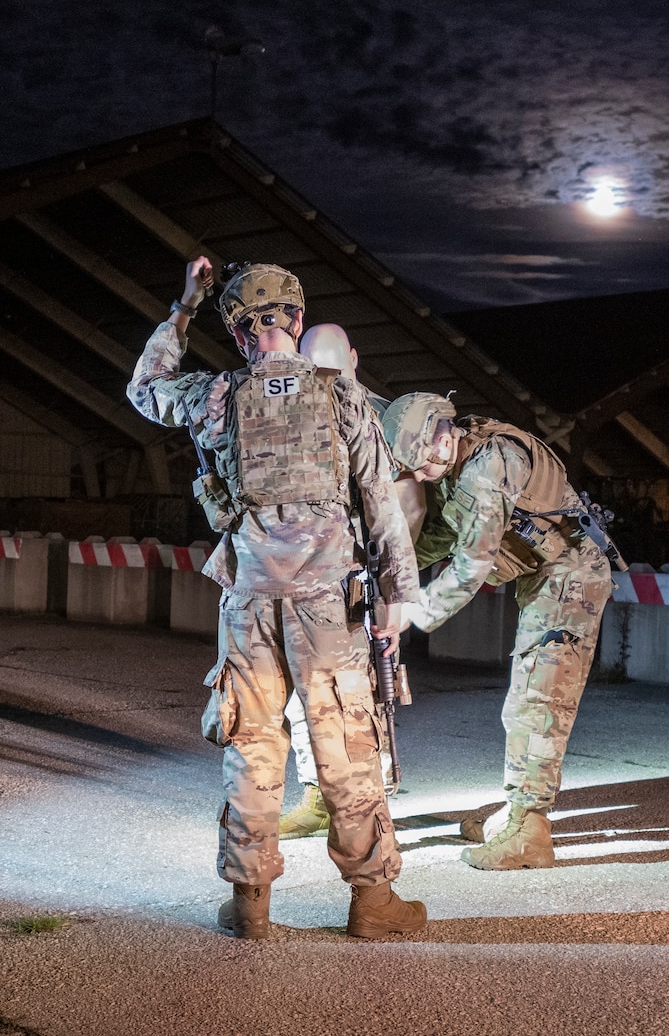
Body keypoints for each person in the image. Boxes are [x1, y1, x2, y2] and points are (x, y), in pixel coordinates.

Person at [127, 262, 426, 940]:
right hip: (329, 604)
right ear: (296, 317)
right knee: (348, 745)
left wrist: (184, 305)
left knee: (252, 744)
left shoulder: (216, 395)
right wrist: (396, 596)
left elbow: (143, 388)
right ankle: (373, 903)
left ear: (237, 333)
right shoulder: (341, 394)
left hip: (251, 597)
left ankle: (251, 903)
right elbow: (380, 495)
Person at [380, 392, 615, 871]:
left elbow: (471, 564)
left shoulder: (491, 465)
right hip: (542, 573)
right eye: (410, 466)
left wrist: (411, 612)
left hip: (571, 574)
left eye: (423, 458)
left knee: (538, 698)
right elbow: (443, 536)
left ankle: (529, 830)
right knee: (529, 695)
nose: (421, 472)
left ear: (444, 432)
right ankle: (517, 812)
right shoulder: (453, 467)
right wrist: (387, 574)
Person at [275, 323, 419, 840]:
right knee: (304, 696)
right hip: (308, 584)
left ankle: (368, 810)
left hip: (359, 585)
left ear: (355, 359)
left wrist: (391, 593)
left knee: (359, 702)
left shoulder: (379, 417)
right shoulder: (298, 408)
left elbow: (405, 507)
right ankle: (318, 797)